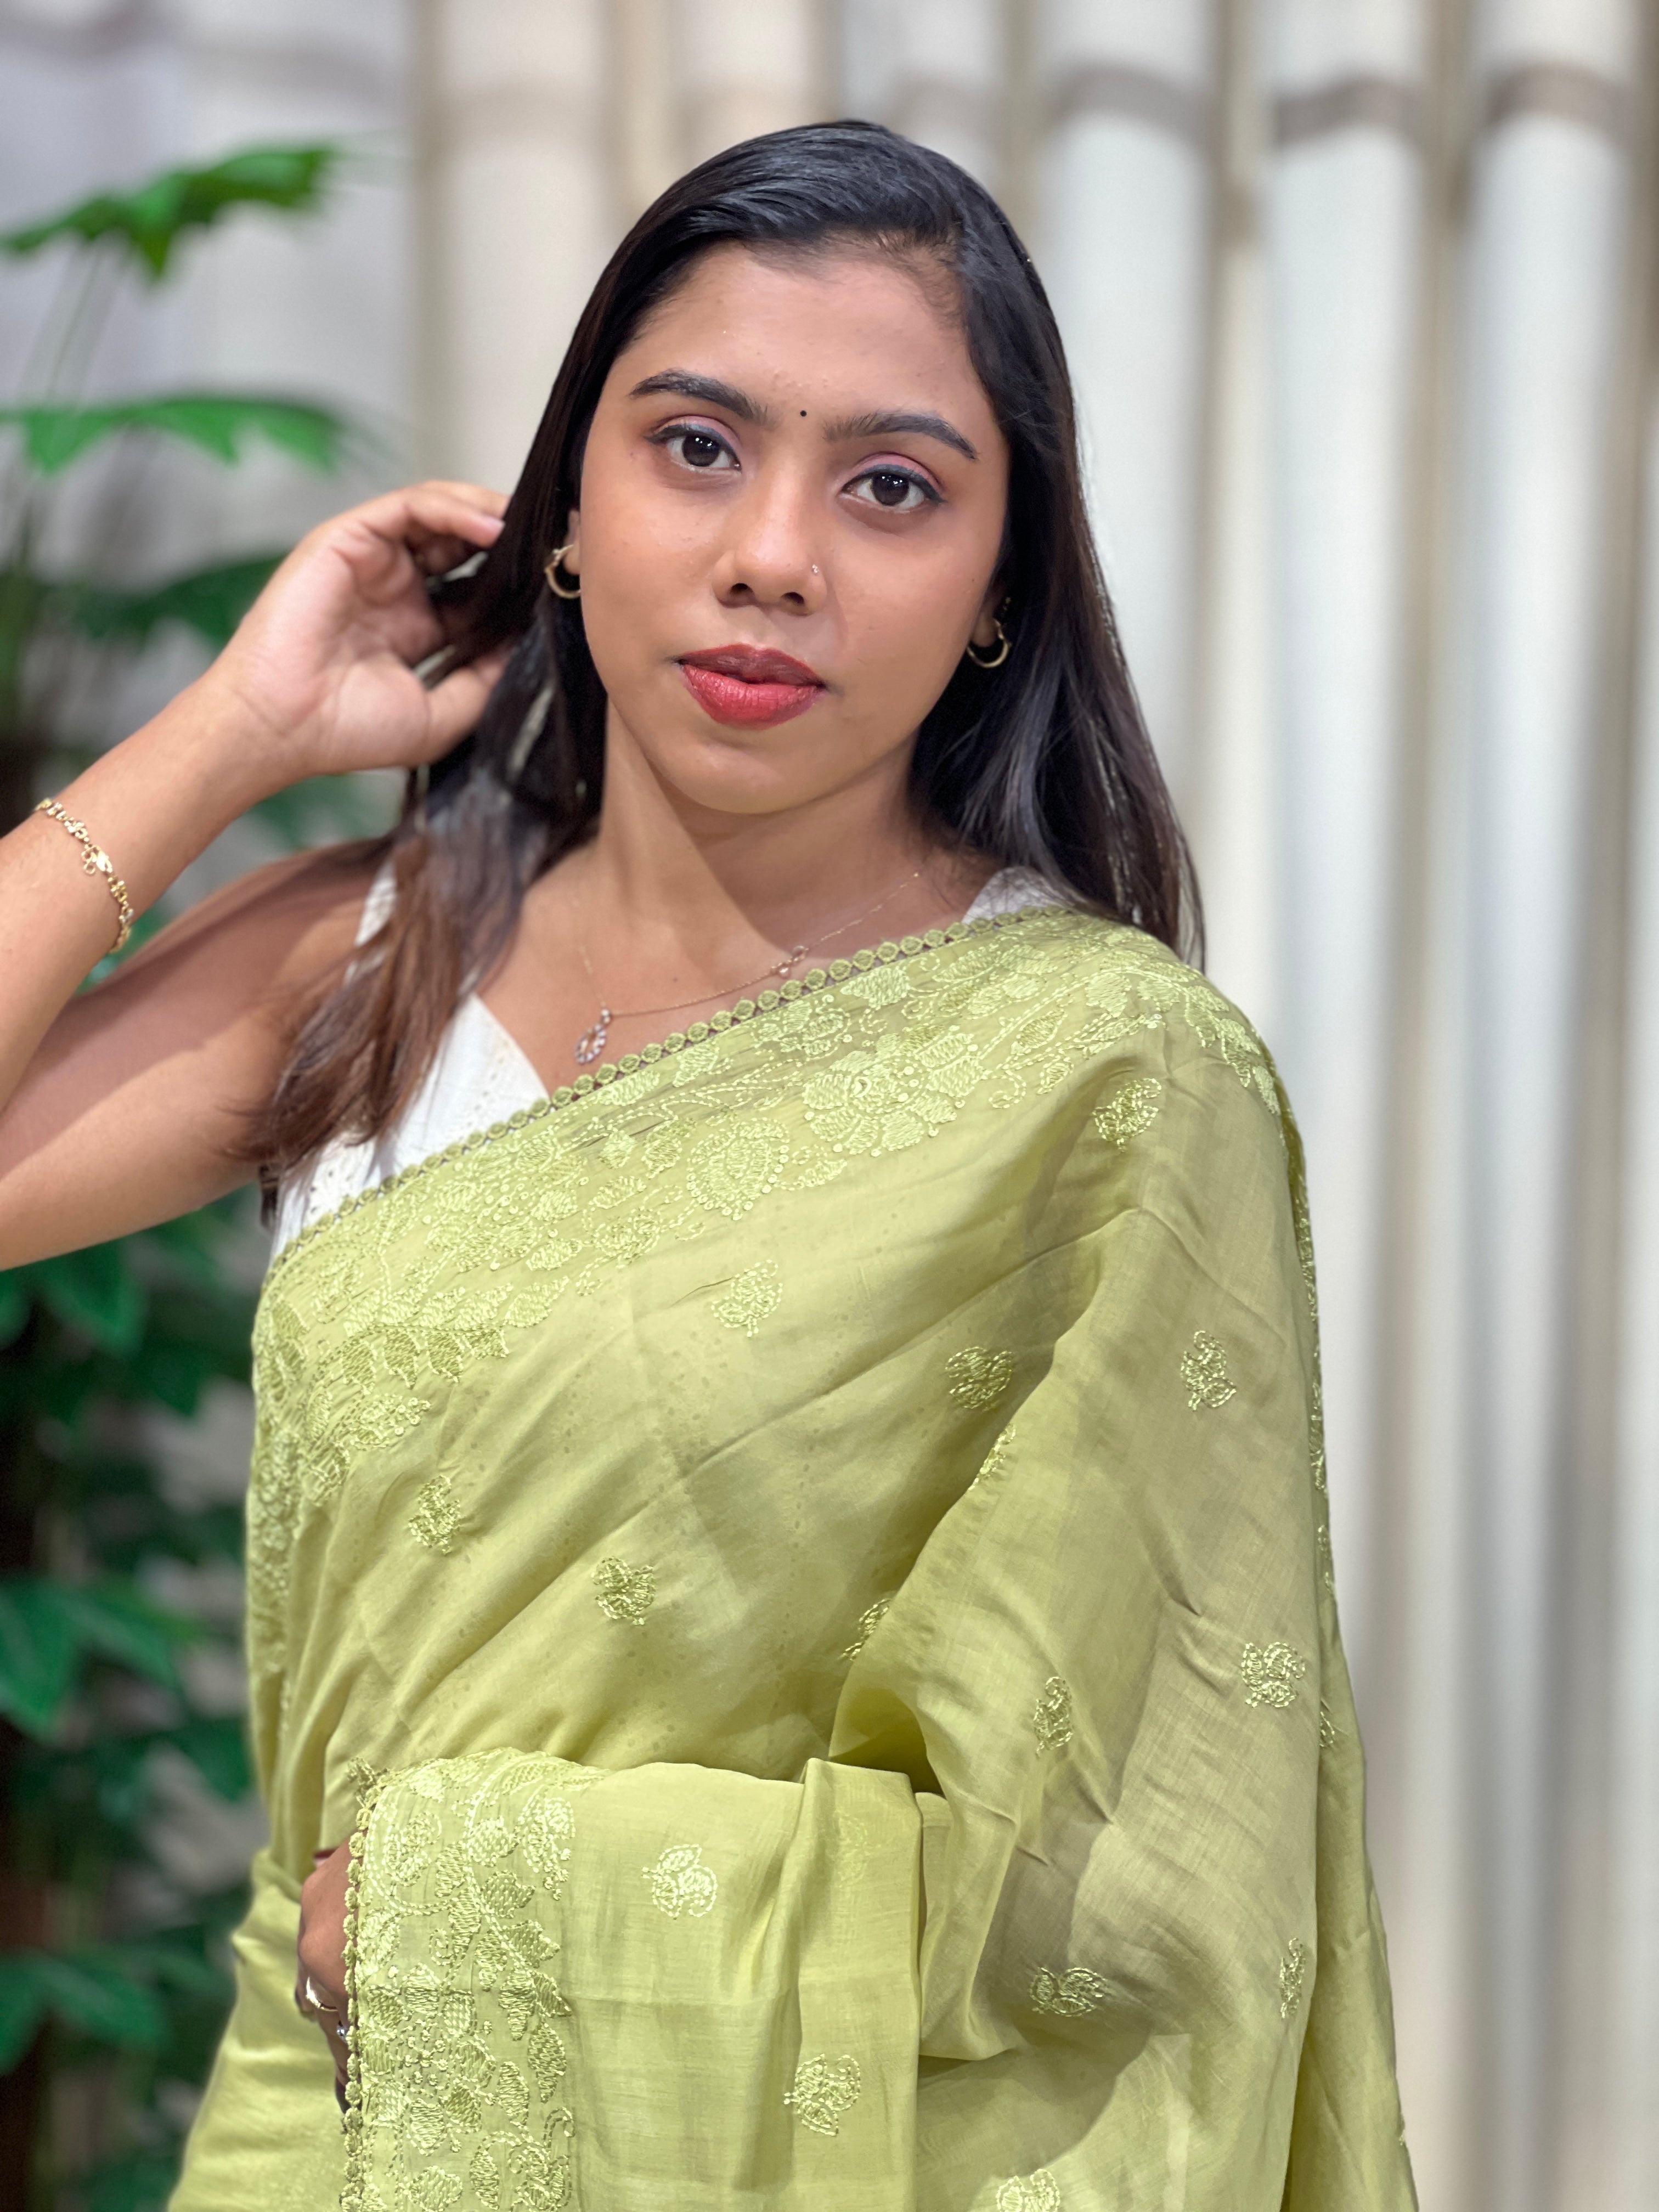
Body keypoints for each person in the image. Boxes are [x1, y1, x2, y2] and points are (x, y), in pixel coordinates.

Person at [0, 122, 1414, 2210]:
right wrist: (238, 728)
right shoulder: (383, 952)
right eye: (694, 448)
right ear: (568, 509)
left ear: (1003, 586)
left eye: (893, 488)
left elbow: (1125, 1866)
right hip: (302, 2142)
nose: (773, 555)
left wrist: (473, 1917)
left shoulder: (1105, 1080)